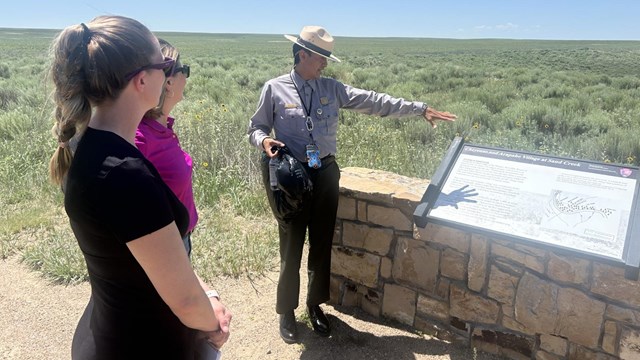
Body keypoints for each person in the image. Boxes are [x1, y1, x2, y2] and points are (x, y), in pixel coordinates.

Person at [247, 25, 456, 344]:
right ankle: (286, 311)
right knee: (290, 248)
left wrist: (419, 109)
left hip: (326, 174)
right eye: (321, 57)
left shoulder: (333, 88)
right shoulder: (274, 89)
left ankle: (315, 306)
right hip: (291, 179)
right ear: (302, 54)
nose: (325, 64)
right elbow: (256, 127)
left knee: (321, 245)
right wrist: (263, 141)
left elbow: (374, 101)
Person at [48, 16, 231, 359]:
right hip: (144, 344)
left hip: (105, 333)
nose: (168, 74)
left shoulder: (89, 150)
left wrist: (204, 294)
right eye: (163, 65)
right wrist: (214, 320)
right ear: (143, 80)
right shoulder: (123, 174)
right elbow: (186, 302)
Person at [135, 39, 197, 256]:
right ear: (168, 83)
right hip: (165, 249)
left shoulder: (160, 128)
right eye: (184, 71)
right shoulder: (141, 138)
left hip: (179, 239)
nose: (186, 77)